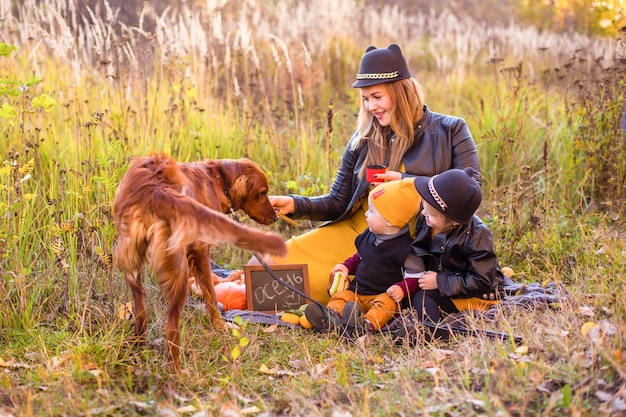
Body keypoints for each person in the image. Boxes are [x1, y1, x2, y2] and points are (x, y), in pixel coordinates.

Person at [249, 43, 481, 304]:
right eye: (365, 99)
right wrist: (295, 204)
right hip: (359, 236)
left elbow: (471, 188)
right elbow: (338, 202)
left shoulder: (451, 130)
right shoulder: (363, 138)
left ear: (402, 91)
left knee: (310, 286)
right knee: (263, 265)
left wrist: (407, 183)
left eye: (377, 97)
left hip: (407, 246)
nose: (370, 107)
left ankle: (352, 299)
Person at [393, 167, 506, 344]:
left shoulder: (477, 235)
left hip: (474, 291)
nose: (423, 213)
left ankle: (431, 330)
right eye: (424, 206)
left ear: (453, 221)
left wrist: (440, 281)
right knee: (414, 296)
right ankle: (426, 325)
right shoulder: (427, 220)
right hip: (447, 283)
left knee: (423, 297)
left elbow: (481, 280)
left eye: (430, 213)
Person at [304, 178, 425, 335]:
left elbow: (416, 277)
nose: (366, 213)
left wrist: (402, 289)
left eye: (372, 211)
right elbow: (360, 257)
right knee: (341, 297)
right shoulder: (369, 235)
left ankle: (365, 324)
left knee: (387, 305)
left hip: (382, 294)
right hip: (357, 293)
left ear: (390, 220)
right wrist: (346, 266)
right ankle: (332, 318)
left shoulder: (406, 249)